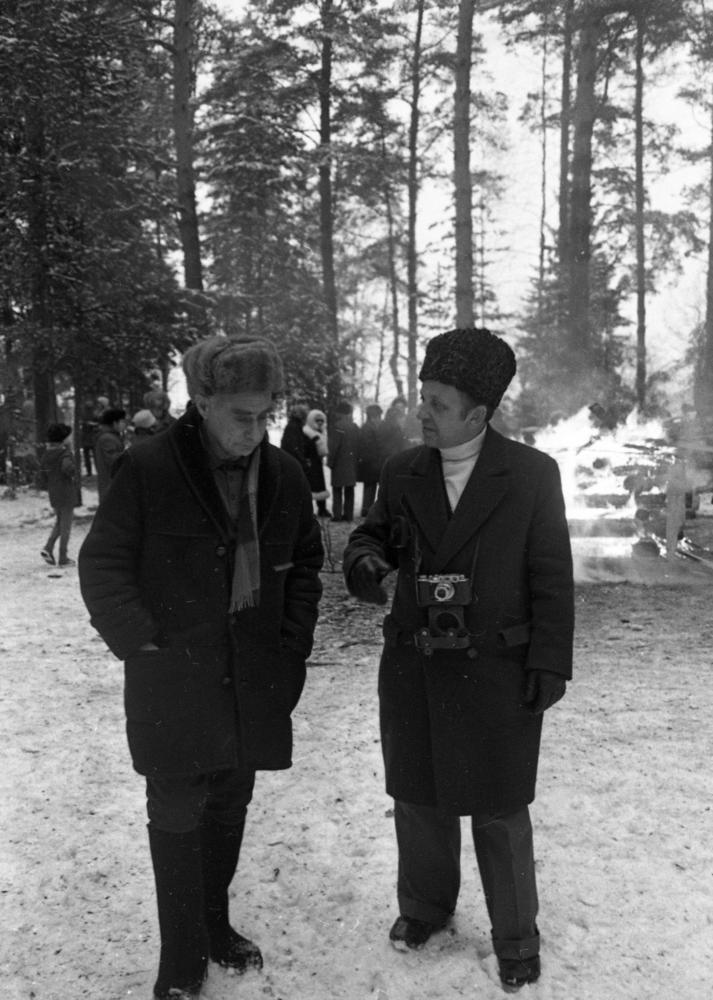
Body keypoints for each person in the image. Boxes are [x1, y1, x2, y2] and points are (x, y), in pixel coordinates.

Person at [78, 335, 324, 1000]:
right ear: (203, 402)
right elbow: (103, 564)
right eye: (242, 416)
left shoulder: (284, 476)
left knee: (231, 799)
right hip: (174, 676)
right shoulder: (148, 467)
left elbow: (305, 564)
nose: (256, 430)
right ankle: (181, 959)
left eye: (265, 415)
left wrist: (291, 643)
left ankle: (215, 924)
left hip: (253, 673)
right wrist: (141, 643)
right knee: (178, 805)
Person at [342, 327, 574, 992]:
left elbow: (551, 575)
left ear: (477, 414)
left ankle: (516, 937)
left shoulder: (531, 475)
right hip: (413, 664)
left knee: (499, 806)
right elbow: (371, 536)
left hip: (496, 669)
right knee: (417, 797)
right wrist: (365, 562)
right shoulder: (402, 471)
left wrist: (549, 662)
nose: (422, 412)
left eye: (437, 404)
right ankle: (424, 908)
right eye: (423, 398)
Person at [39, 422, 78, 567]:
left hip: (54, 492)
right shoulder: (65, 453)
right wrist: (73, 471)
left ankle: (48, 548)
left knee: (60, 522)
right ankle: (63, 557)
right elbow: (68, 468)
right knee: (66, 526)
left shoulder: (46, 455)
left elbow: (42, 474)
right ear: (63, 439)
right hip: (66, 492)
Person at [327, 401, 360, 522]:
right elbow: (358, 445)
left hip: (339, 462)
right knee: (349, 489)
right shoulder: (354, 427)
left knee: (337, 489)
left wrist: (330, 462)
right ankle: (349, 515)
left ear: (339, 412)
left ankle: (337, 515)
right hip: (351, 462)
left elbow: (333, 447)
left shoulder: (337, 426)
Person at [94, 407, 127, 503]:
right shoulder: (107, 438)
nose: (124, 424)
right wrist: (130, 454)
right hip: (111, 485)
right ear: (114, 423)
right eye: (122, 421)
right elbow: (114, 461)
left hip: (112, 484)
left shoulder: (112, 436)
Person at [357, 403, 385, 516]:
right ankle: (366, 509)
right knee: (370, 486)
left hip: (370, 463)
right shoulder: (368, 428)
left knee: (370, 486)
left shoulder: (367, 427)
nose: (380, 419)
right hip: (370, 463)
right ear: (373, 416)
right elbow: (369, 446)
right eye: (378, 416)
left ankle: (367, 509)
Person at [303, 409, 330, 518]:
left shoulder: (321, 431)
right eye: (317, 420)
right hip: (310, 463)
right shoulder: (307, 432)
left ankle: (322, 509)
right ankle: (310, 511)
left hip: (317, 462)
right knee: (310, 487)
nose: (319, 422)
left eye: (321, 420)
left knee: (319, 486)